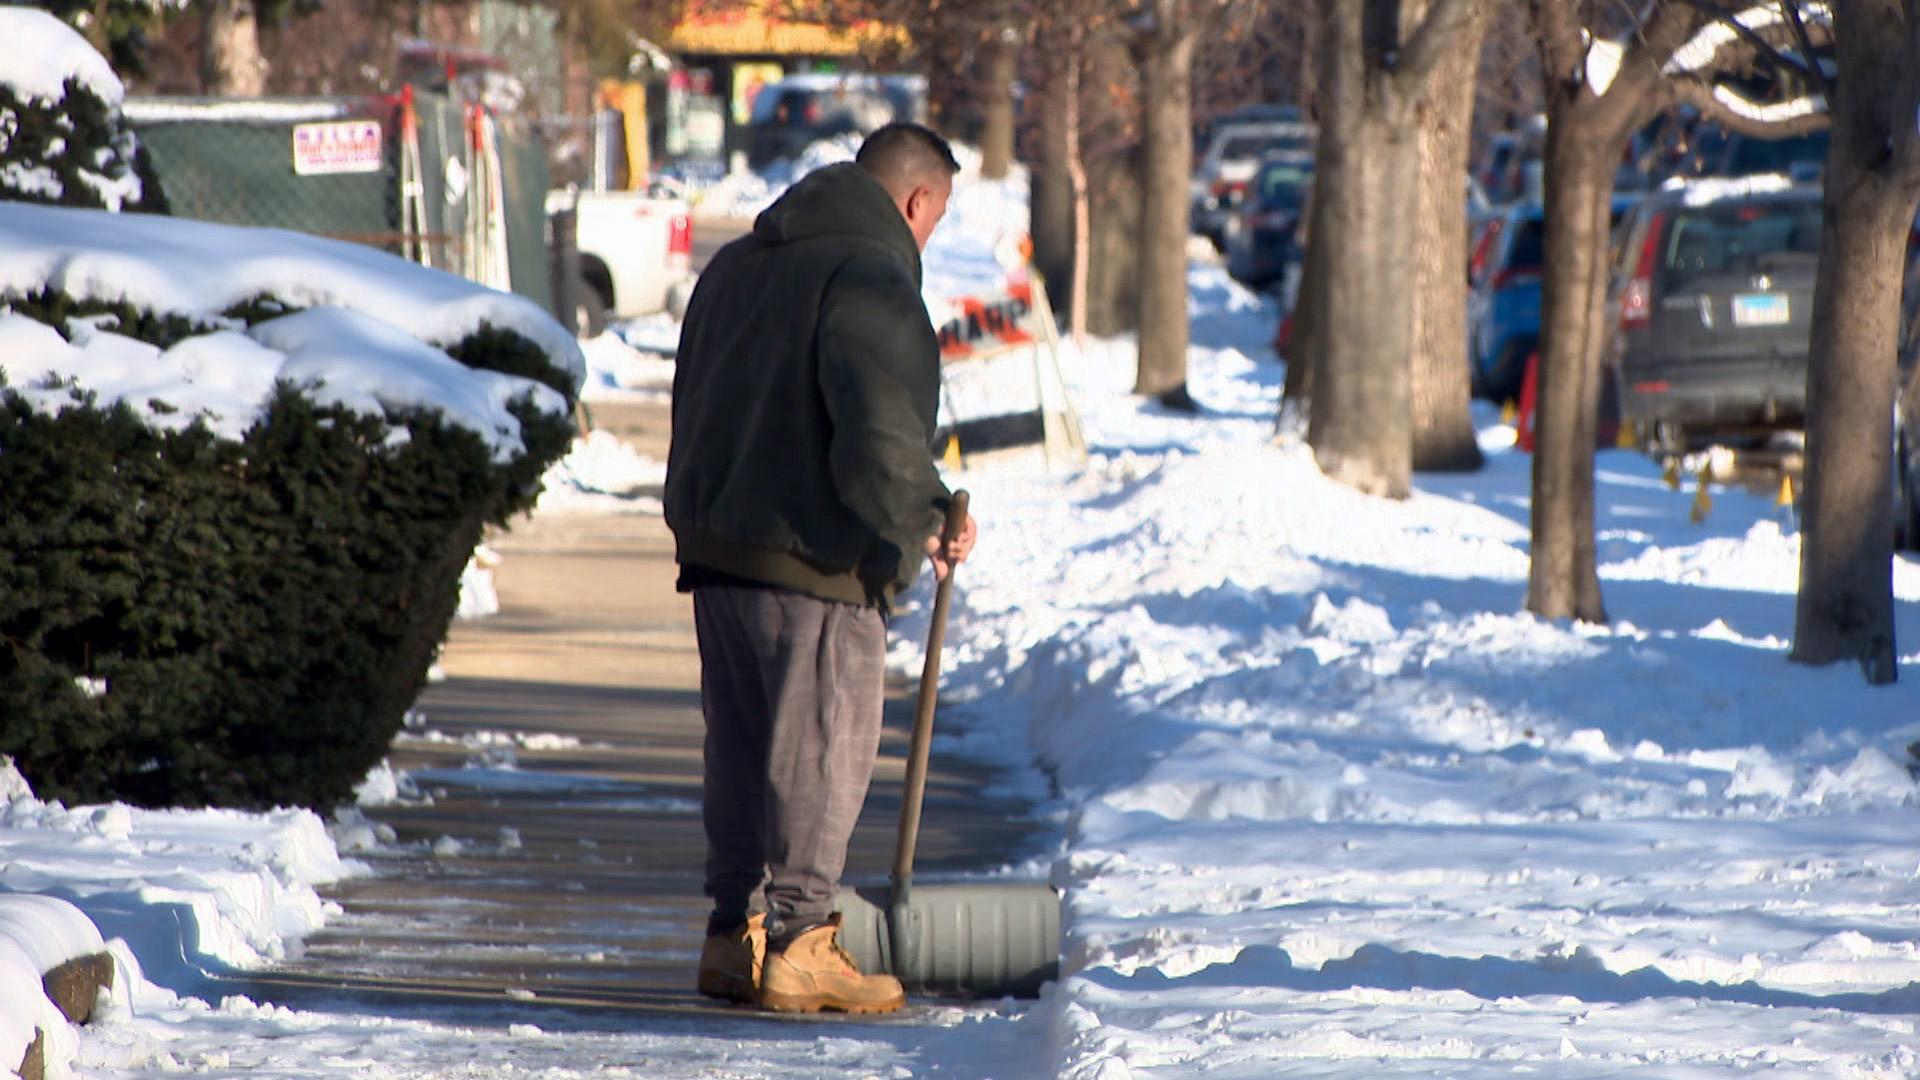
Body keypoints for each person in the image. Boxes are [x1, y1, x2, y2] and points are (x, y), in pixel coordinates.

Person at [664, 121, 978, 1015]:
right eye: (938, 219)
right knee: (818, 746)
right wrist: (925, 518)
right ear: (916, 202)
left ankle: (735, 934)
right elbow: (880, 437)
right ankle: (802, 941)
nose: (930, 238)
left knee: (740, 744)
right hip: (814, 558)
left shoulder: (736, 266)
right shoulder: (870, 280)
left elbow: (693, 396)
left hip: (718, 547)